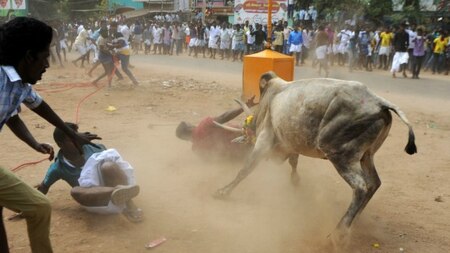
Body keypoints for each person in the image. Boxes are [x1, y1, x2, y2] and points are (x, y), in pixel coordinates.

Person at [0, 17, 99, 253]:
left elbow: (30, 108)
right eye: (45, 57)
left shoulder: (18, 83)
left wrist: (64, 136)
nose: (47, 64)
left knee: (39, 206)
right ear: (29, 56)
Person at [33, 123, 143, 223]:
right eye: (71, 139)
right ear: (60, 144)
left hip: (112, 188)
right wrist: (28, 204)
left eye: (77, 136)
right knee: (75, 191)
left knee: (109, 166)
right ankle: (119, 191)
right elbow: (44, 187)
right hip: (95, 201)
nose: (77, 141)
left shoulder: (95, 148)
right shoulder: (58, 168)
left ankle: (129, 206)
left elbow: (118, 167)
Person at [176, 98, 256, 160]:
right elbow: (225, 117)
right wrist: (245, 106)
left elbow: (214, 160)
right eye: (189, 124)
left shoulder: (196, 150)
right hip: (249, 140)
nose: (192, 124)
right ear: (189, 128)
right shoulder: (204, 125)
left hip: (242, 157)